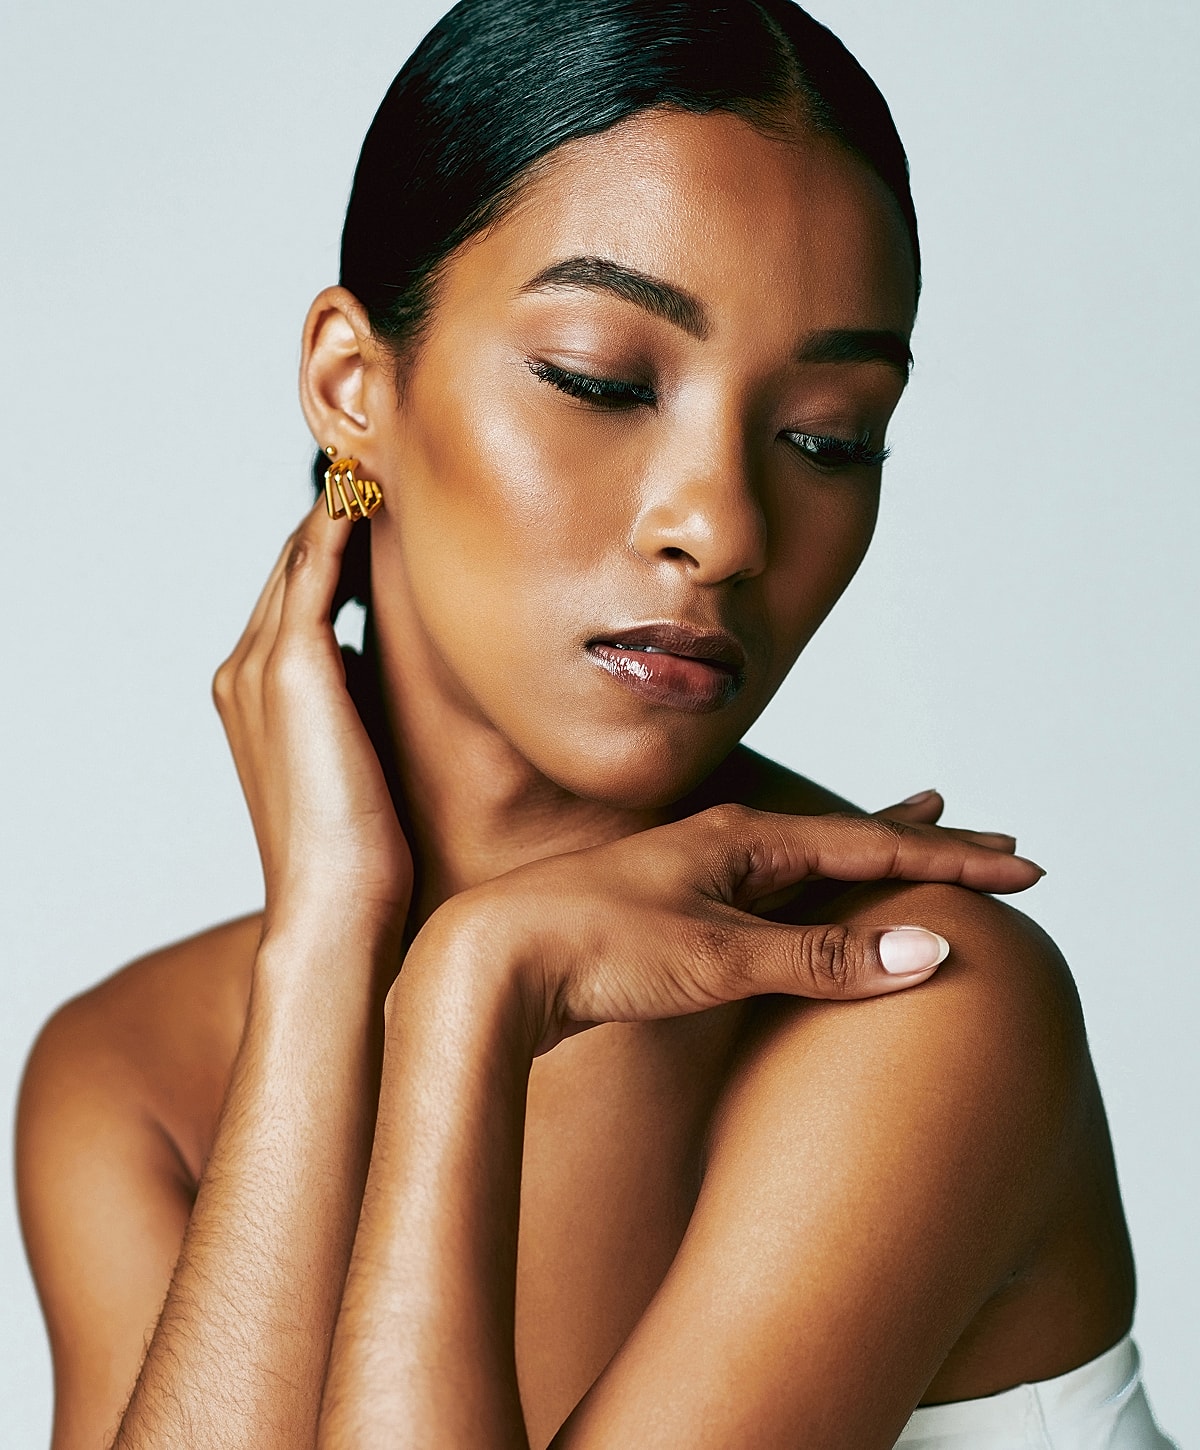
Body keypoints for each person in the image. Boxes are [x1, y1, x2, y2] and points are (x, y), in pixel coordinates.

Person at [14, 2, 1179, 1446]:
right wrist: (330, 947)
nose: (723, 524)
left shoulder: (918, 996)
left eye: (828, 435)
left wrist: (466, 992)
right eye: (603, 382)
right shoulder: (129, 1076)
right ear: (351, 391)